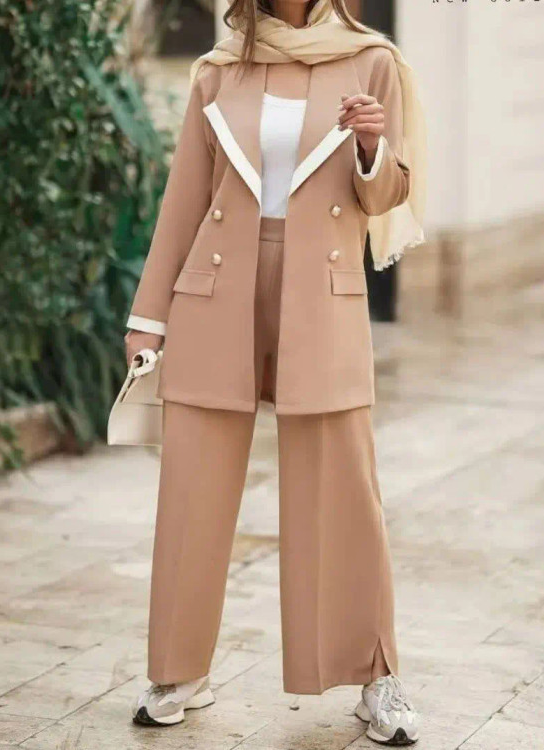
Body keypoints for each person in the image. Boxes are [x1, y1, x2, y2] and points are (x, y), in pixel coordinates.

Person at [122, 0, 426, 744]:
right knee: (193, 484)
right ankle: (177, 670)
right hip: (214, 289)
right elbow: (185, 198)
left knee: (343, 487)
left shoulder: (372, 61)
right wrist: (148, 316)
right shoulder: (220, 69)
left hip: (322, 294)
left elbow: (387, 193)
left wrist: (370, 147)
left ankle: (375, 674)